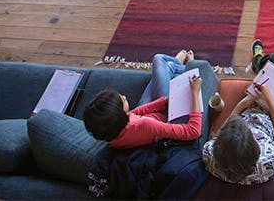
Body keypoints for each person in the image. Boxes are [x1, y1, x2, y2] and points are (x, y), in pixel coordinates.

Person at [83, 49, 218, 149]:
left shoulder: (111, 133)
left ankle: (175, 66)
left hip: (152, 117)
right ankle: (181, 66)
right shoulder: (146, 125)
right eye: (122, 100)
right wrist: (195, 92)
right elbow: (193, 132)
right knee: (158, 59)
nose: (124, 97)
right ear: (119, 115)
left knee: (160, 71)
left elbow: (134, 114)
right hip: (169, 117)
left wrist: (162, 101)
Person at [202, 40, 274, 184]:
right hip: (272, 114)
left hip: (248, 105)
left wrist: (243, 104)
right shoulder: (270, 160)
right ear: (256, 149)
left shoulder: (209, 155)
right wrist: (269, 100)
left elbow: (221, 135)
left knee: (270, 69)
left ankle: (259, 62)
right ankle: (259, 62)